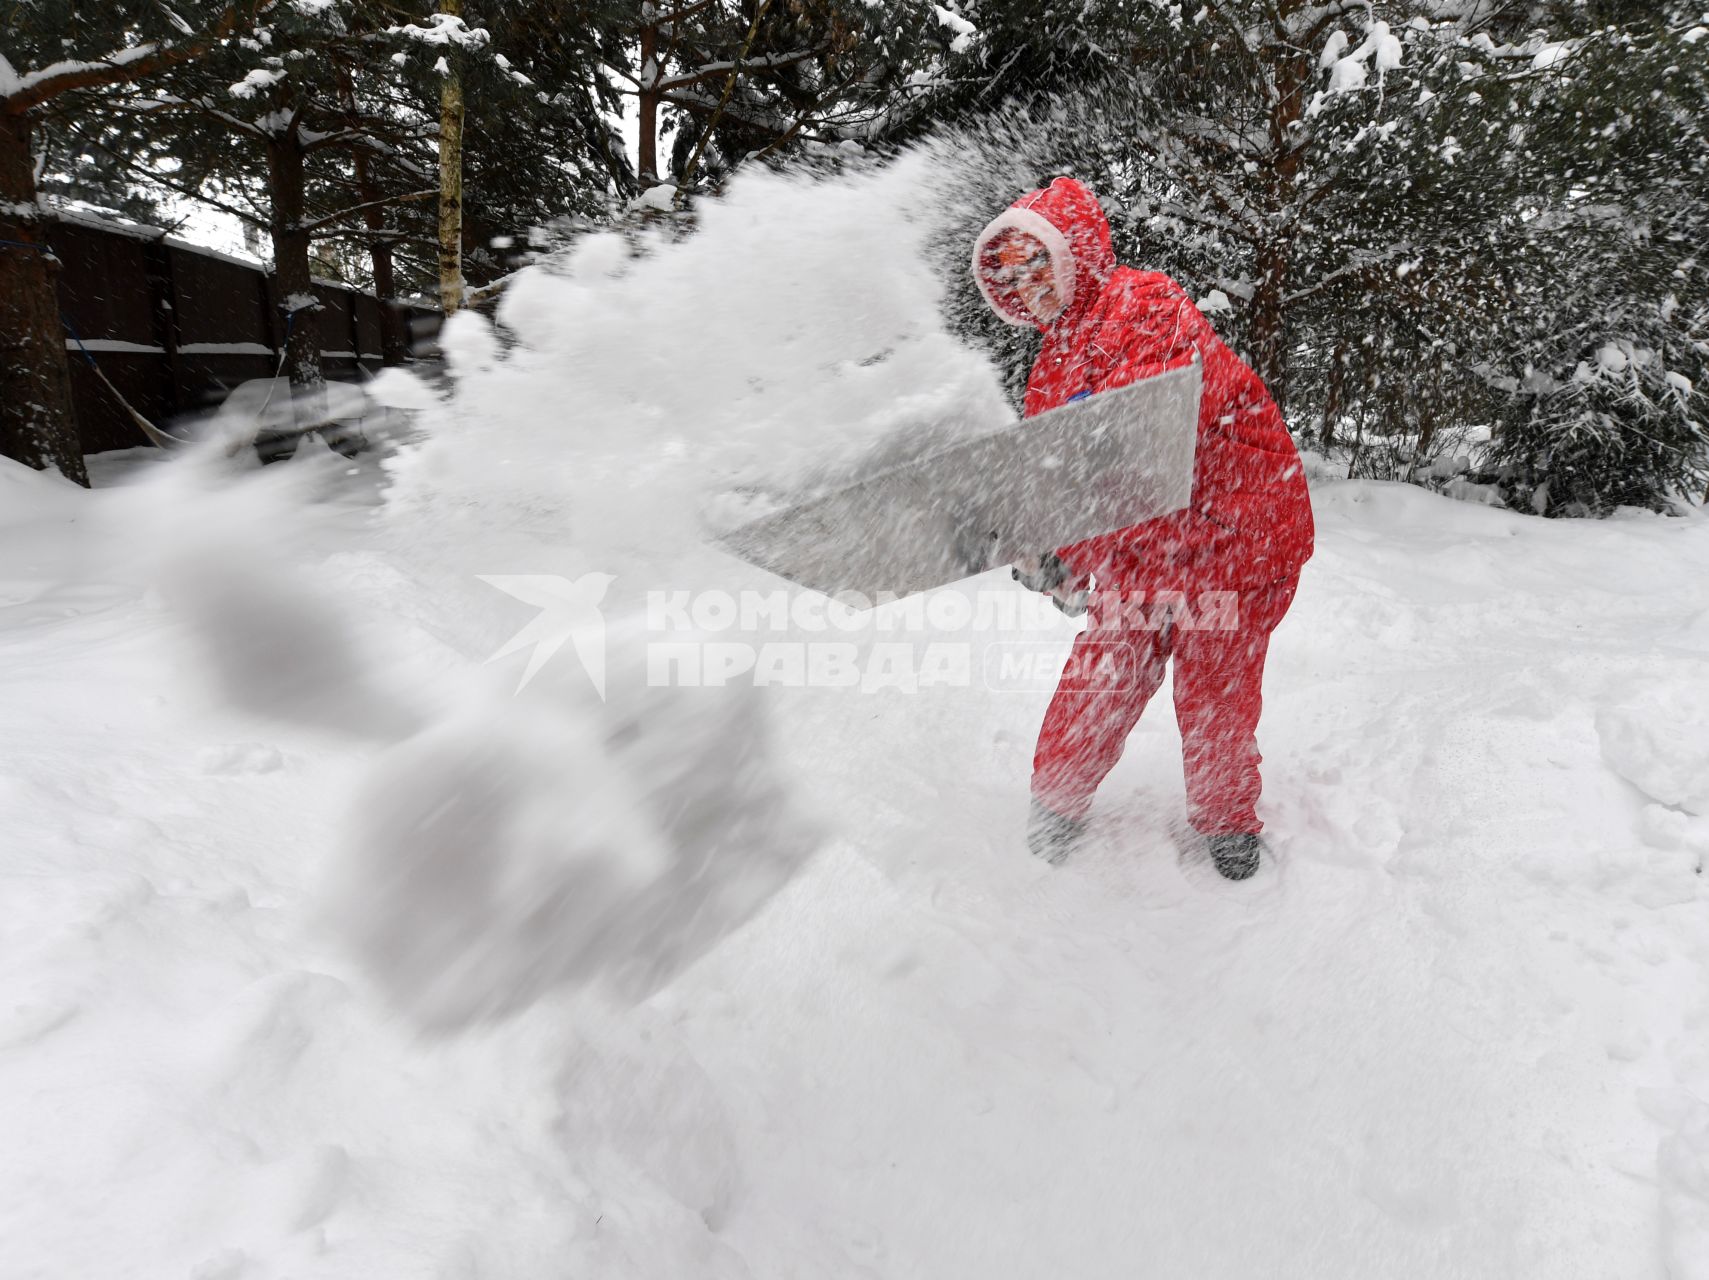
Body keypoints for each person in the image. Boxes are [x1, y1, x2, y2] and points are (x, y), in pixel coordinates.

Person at [971, 177, 1314, 881]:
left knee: (1214, 692)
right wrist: (1054, 554)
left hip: (1232, 541)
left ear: (1073, 254)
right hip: (1143, 550)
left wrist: (1076, 538)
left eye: (1037, 263)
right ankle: (1055, 804)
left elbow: (1135, 443)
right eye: (1009, 276)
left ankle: (1226, 824)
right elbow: (1062, 478)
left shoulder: (1143, 303)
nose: (1028, 285)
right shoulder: (1050, 366)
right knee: (1100, 677)